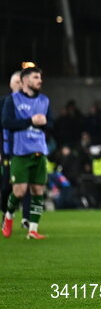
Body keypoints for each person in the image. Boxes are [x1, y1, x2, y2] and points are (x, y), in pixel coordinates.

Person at [2, 67, 52, 239]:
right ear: (25, 81)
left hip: (39, 150)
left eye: (40, 77)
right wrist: (30, 120)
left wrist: (45, 123)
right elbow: (6, 123)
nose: (40, 80)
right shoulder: (12, 100)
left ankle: (33, 230)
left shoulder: (45, 100)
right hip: (20, 152)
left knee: (38, 190)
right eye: (36, 77)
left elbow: (51, 125)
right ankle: (8, 216)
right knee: (19, 192)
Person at [2, 71, 31, 229]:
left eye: (21, 82)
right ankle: (6, 215)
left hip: (28, 150)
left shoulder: (32, 103)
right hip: (9, 150)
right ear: (11, 84)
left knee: (27, 187)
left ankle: (26, 219)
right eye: (16, 82)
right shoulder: (5, 103)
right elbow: (5, 125)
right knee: (8, 187)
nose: (19, 84)